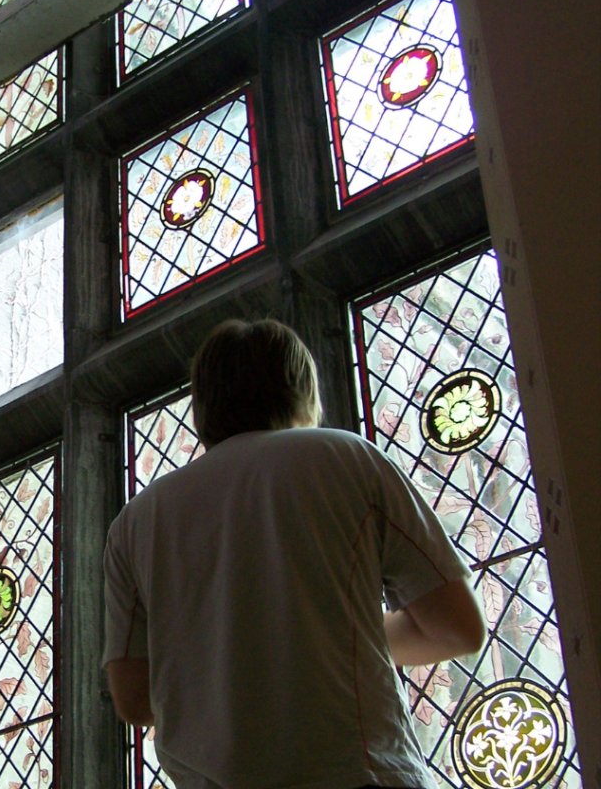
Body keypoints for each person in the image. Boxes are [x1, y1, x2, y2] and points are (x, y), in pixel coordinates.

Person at [103, 319, 486, 789]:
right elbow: (457, 628)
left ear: (202, 407)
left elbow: (134, 699)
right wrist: (318, 633)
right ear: (304, 389)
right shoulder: (346, 457)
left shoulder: (134, 523)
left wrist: (230, 650)